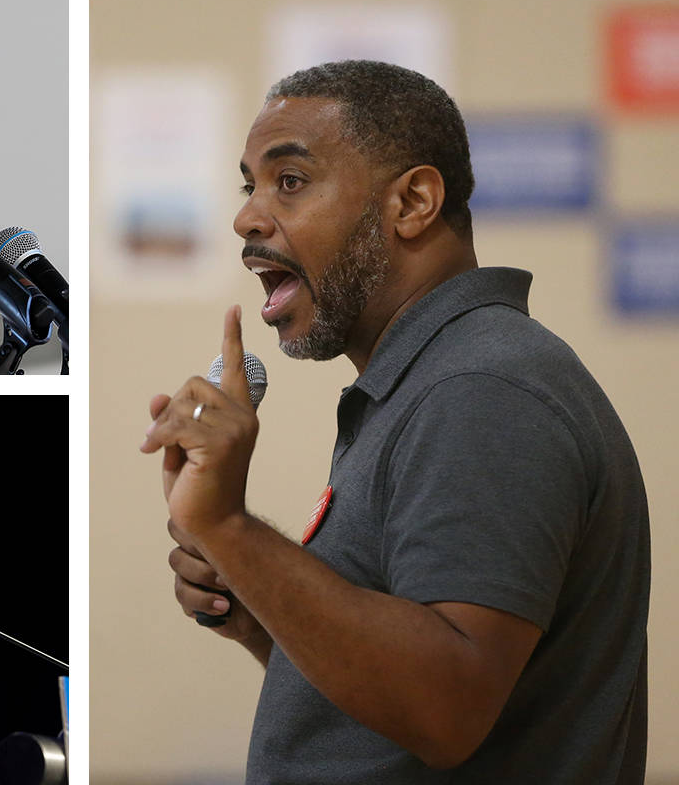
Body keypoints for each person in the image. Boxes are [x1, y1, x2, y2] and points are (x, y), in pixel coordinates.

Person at [141, 60, 649, 783]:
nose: (247, 217)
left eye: (288, 181)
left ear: (412, 202)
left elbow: (446, 707)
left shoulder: (482, 390)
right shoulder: (434, 381)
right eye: (249, 185)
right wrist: (258, 602)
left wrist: (230, 528)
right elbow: (387, 711)